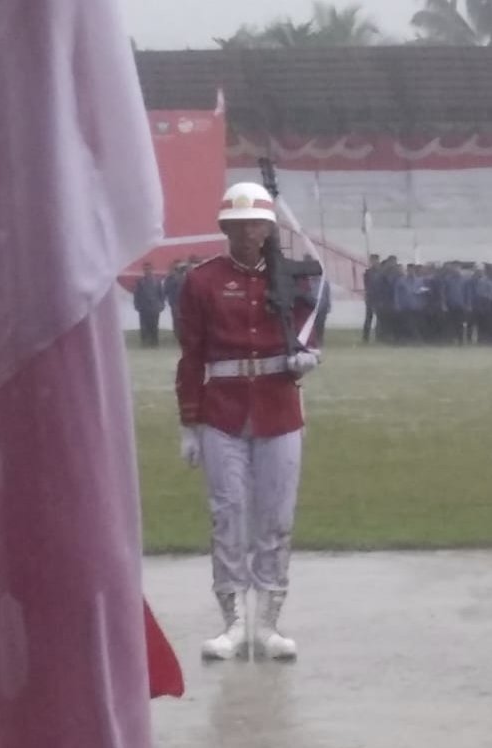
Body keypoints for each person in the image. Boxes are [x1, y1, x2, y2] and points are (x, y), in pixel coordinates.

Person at [174, 182, 321, 661]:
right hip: (223, 412)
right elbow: (191, 355)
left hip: (279, 408)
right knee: (228, 515)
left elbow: (308, 328)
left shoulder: (293, 279)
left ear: (269, 228)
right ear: (225, 229)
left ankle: (268, 622)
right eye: (237, 226)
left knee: (276, 518)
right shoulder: (202, 281)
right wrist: (189, 423)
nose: (247, 234)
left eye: (256, 224)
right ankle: (233, 622)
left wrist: (306, 355)